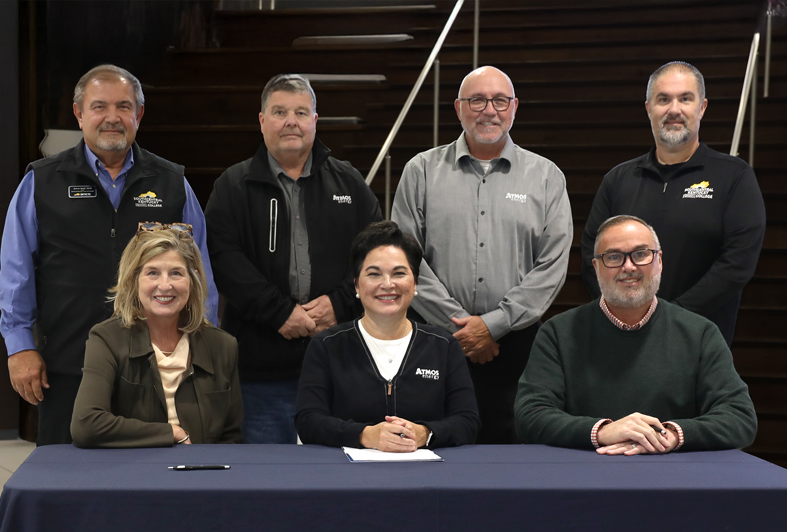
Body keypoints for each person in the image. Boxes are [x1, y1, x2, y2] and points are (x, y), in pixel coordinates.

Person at [0, 64, 219, 446]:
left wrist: (202, 348)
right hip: (68, 366)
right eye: (99, 107)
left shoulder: (172, 183)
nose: (112, 118)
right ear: (79, 113)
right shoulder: (42, 181)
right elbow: (16, 276)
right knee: (67, 487)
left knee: (153, 487)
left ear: (139, 114)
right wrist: (21, 348)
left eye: (123, 107)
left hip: (158, 369)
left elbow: (201, 278)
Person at [391, 65, 572, 444]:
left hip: (517, 347)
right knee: (435, 448)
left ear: (514, 108)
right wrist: (461, 326)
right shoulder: (420, 171)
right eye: (477, 100)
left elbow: (552, 265)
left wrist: (493, 325)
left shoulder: (546, 176)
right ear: (458, 108)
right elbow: (403, 259)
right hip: (436, 342)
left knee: (512, 457)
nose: (489, 110)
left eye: (500, 100)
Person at [205, 73, 383, 444]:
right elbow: (224, 260)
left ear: (315, 121)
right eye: (280, 111)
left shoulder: (350, 183)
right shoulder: (232, 186)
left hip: (342, 366)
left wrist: (339, 301)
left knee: (339, 481)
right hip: (261, 375)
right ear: (262, 120)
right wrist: (279, 312)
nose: (291, 121)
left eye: (301, 113)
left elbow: (375, 253)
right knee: (267, 483)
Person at [515, 215, 757, 454]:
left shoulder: (700, 333)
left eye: (641, 254)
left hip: (675, 479)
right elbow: (530, 415)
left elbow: (740, 417)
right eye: (613, 257)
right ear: (596, 267)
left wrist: (666, 435)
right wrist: (601, 431)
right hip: (584, 477)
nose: (628, 266)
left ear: (659, 261)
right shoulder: (558, 332)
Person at [580, 61, 766, 347]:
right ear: (648, 109)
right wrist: (627, 314)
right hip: (623, 340)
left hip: (699, 340)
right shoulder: (618, 179)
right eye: (663, 99)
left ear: (702, 107)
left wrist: (669, 316)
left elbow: (737, 264)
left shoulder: (734, 177)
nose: (674, 109)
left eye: (685, 99)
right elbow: (591, 254)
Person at [295, 221, 480, 450]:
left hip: (427, 477)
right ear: (357, 285)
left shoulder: (444, 346)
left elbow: (467, 421)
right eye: (374, 274)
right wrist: (366, 435)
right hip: (346, 477)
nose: (388, 284)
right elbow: (308, 421)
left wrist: (424, 433)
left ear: (415, 284)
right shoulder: (326, 346)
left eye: (399, 273)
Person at [71, 225, 242, 448]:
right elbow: (86, 424)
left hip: (201, 476)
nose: (165, 285)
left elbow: (232, 438)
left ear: (194, 279)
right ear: (134, 279)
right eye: (152, 273)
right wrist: (170, 433)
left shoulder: (223, 345)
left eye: (176, 273)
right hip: (133, 474)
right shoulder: (106, 339)